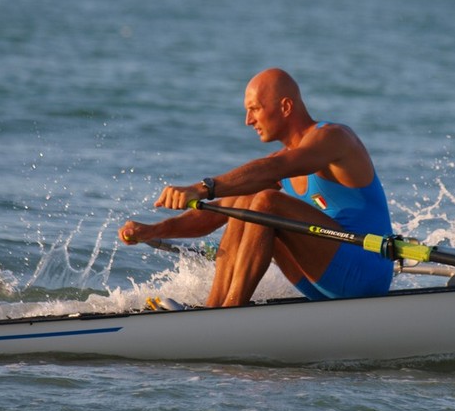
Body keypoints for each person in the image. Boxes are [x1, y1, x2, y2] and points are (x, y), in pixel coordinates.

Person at [118, 68, 394, 307]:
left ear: (285, 107)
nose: (248, 121)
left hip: (365, 271)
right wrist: (155, 230)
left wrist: (202, 187)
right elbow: (217, 213)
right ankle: (216, 308)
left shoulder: (334, 138)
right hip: (320, 280)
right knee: (243, 204)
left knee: (266, 202)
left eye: (254, 109)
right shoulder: (280, 162)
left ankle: (229, 313)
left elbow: (276, 168)